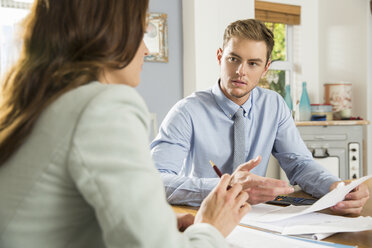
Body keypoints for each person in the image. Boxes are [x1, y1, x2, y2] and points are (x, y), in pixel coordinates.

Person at [0, 1, 251, 247]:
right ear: (109, 35)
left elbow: (53, 215)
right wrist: (210, 228)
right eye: (140, 34)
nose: (146, 50)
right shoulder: (102, 106)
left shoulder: (34, 103)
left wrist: (155, 223)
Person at [151, 19, 369, 214]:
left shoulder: (274, 105)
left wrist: (334, 188)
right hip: (201, 217)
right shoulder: (186, 111)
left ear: (265, 69)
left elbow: (299, 164)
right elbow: (154, 181)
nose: (240, 71)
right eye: (233, 59)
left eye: (252, 63)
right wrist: (227, 188)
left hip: (257, 218)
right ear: (220, 57)